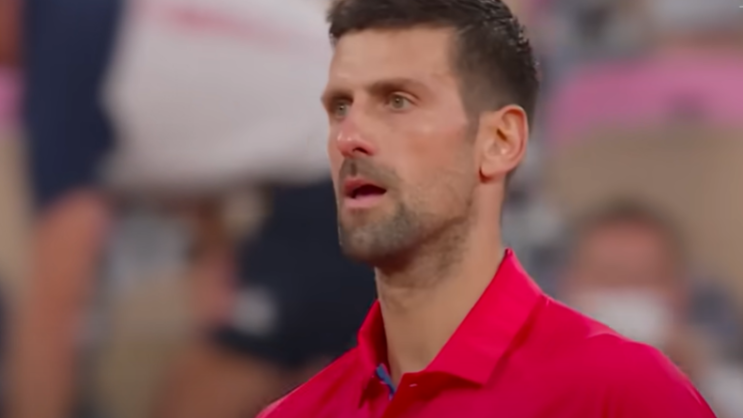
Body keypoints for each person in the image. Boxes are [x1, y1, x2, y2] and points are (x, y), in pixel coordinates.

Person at [258, 0, 716, 417]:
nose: (348, 137)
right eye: (341, 107)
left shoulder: (624, 394)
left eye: (397, 101)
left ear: (500, 141)